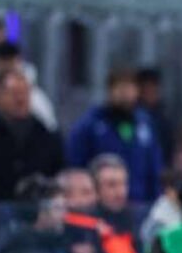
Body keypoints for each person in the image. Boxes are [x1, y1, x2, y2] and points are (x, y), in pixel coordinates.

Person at [68, 69, 163, 202]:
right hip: (101, 204)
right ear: (110, 90)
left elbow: (155, 167)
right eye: (120, 87)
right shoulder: (91, 124)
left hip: (139, 204)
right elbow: (77, 166)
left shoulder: (145, 124)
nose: (125, 93)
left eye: (130, 87)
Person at [0, 69, 64, 201]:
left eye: (25, 93)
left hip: (37, 214)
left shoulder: (47, 136)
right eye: (14, 93)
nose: (21, 99)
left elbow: (58, 177)